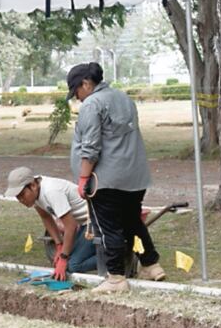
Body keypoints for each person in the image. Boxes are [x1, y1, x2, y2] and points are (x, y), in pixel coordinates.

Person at [68, 62, 165, 293]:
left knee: (109, 228)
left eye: (76, 91)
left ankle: (116, 277)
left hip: (106, 179)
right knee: (132, 222)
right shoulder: (123, 98)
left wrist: (83, 178)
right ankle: (151, 264)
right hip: (134, 175)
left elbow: (91, 146)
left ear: (86, 83)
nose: (77, 97)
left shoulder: (92, 104)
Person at [5, 166, 97, 280]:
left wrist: (63, 258)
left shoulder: (51, 192)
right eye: (17, 197)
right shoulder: (35, 192)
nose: (21, 200)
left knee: (73, 265)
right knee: (67, 258)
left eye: (22, 195)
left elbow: (71, 226)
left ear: (32, 186)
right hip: (85, 223)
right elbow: (46, 218)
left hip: (97, 220)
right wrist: (59, 246)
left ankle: (115, 255)